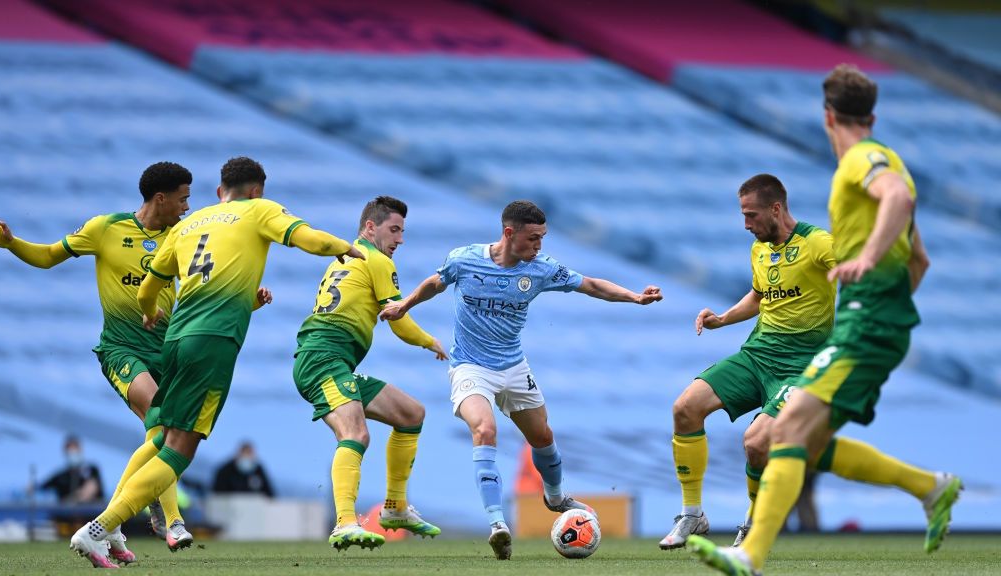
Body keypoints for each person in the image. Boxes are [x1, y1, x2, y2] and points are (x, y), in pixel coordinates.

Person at [688, 64, 962, 575]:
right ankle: (931, 487)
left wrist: (866, 271)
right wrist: (889, 307)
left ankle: (748, 556)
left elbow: (896, 203)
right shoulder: (893, 164)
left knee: (782, 433)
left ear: (827, 116)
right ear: (872, 115)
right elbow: (919, 259)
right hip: (875, 321)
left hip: (866, 324)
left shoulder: (861, 160)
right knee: (797, 438)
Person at [67, 156, 363, 568]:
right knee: (178, 450)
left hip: (175, 340)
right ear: (257, 189)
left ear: (219, 188)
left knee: (159, 436)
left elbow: (149, 286)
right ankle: (100, 527)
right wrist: (345, 248)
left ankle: (113, 526)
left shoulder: (190, 223)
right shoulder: (260, 209)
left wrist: (150, 312)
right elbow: (307, 238)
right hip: (213, 344)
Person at [380, 200, 662, 560]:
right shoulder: (465, 258)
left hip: (513, 367)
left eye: (543, 238)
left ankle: (556, 497)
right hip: (471, 367)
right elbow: (436, 283)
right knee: (484, 430)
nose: (539, 246)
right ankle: (498, 525)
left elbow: (589, 284)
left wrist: (635, 297)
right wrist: (404, 306)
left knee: (542, 437)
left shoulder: (541, 269)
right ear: (509, 233)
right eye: (533, 238)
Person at [0, 161, 193, 563]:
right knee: (162, 420)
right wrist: (13, 242)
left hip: (166, 351)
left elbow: (205, 285)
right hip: (122, 350)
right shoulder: (106, 229)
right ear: (161, 198)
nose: (187, 207)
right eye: (183, 199)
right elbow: (48, 256)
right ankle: (172, 519)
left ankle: (112, 524)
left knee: (162, 437)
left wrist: (248, 298)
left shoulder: (182, 238)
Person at [659, 174, 836, 550]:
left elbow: (858, 270)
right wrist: (722, 319)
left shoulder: (817, 243)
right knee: (685, 408)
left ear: (776, 209)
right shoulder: (760, 249)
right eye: (743, 215)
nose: (746, 224)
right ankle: (693, 514)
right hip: (757, 355)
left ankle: (754, 524)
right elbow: (760, 295)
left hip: (802, 365)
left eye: (751, 215)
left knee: (756, 442)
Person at [294, 195, 448, 551]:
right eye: (394, 229)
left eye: (402, 231)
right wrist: (430, 341)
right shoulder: (376, 260)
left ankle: (394, 508)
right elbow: (397, 321)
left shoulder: (346, 257)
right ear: (370, 227)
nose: (400, 239)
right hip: (322, 359)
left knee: (411, 414)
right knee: (356, 433)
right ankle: (345, 522)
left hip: (333, 361)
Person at [37, 436, 105, 503]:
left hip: (90, 513)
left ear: (80, 450)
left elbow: (89, 491)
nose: (72, 453)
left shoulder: (92, 470)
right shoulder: (61, 477)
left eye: (75, 449)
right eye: (69, 450)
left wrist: (73, 498)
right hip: (65, 513)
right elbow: (40, 488)